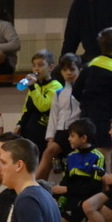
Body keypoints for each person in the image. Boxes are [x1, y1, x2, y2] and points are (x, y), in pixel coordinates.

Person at [72, 26, 112, 152]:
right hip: (105, 120)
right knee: (104, 155)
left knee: (86, 154)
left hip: (86, 118)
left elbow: (76, 90)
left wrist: (86, 104)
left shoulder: (90, 64)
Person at [33, 53, 83, 184]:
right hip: (61, 131)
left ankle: (73, 187)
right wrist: (50, 138)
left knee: (76, 159)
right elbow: (54, 116)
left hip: (78, 132)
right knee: (48, 152)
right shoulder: (59, 92)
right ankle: (36, 186)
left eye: (72, 69)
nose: (68, 73)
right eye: (65, 70)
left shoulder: (84, 91)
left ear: (79, 70)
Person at [52, 118, 105, 222]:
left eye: (72, 136)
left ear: (83, 138)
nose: (69, 139)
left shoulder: (97, 157)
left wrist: (66, 189)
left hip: (85, 197)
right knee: (49, 212)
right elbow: (65, 180)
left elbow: (95, 186)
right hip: (70, 195)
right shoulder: (71, 156)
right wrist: (56, 195)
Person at [14, 50, 63, 156]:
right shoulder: (34, 86)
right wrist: (20, 123)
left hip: (43, 133)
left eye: (40, 65)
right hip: (29, 132)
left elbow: (43, 106)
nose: (36, 69)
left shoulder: (56, 86)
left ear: (51, 67)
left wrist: (32, 87)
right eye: (34, 65)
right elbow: (27, 109)